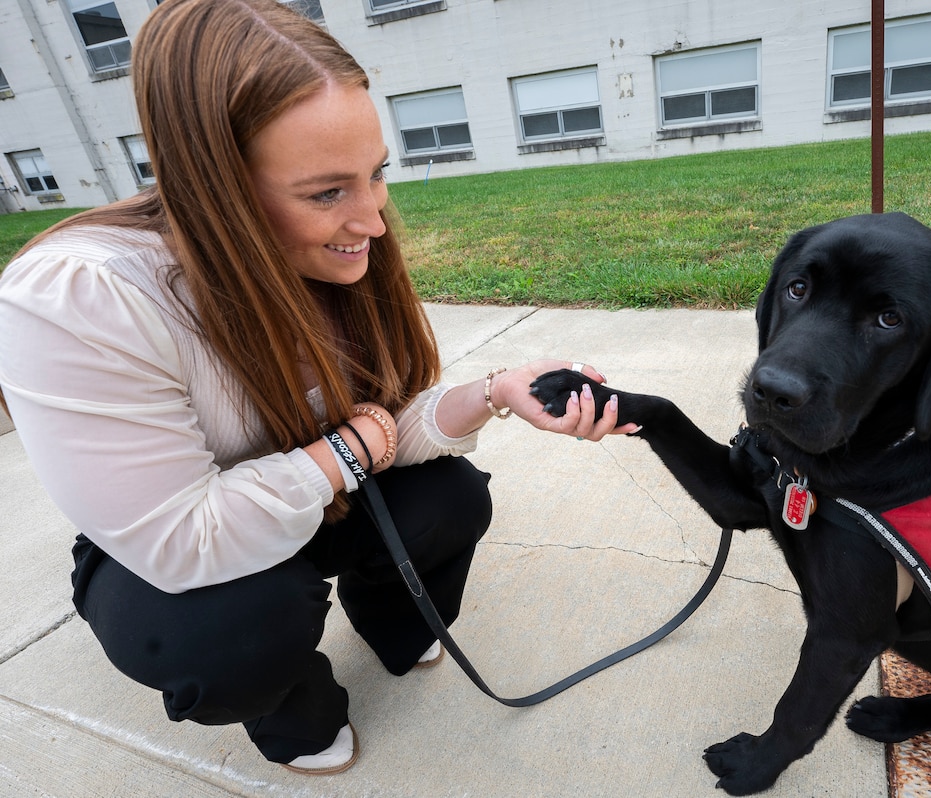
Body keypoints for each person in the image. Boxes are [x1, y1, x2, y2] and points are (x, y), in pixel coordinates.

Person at [0, 0, 635, 776]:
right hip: (171, 548)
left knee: (454, 499)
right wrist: (348, 448)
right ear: (214, 185)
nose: (372, 221)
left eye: (376, 175)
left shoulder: (326, 250)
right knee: (229, 633)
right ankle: (294, 709)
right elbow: (178, 537)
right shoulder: (76, 296)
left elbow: (385, 413)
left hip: (314, 481)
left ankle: (397, 625)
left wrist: (495, 391)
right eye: (327, 193)